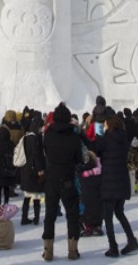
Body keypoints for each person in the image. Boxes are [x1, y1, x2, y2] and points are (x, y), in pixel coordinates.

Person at [42, 102, 83, 261]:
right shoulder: (73, 136)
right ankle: (72, 249)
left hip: (52, 178)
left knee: (50, 215)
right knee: (72, 215)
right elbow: (79, 158)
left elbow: (45, 152)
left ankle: (48, 251)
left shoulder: (48, 134)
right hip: (68, 178)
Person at [95, 114, 138, 257]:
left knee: (108, 216)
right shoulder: (123, 138)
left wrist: (97, 129)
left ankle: (113, 247)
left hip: (109, 180)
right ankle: (131, 240)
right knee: (119, 212)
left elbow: (97, 149)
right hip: (121, 180)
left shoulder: (106, 138)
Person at [20, 114, 46, 225]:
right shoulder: (36, 138)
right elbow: (37, 155)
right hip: (34, 169)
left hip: (26, 168)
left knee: (27, 195)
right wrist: (40, 170)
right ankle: (36, 218)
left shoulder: (26, 136)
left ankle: (24, 217)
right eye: (41, 126)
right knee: (36, 195)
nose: (42, 128)